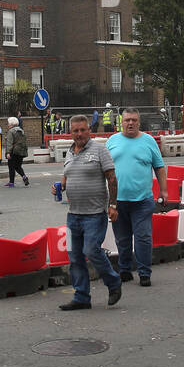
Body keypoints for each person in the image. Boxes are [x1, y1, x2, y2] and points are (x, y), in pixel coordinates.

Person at [58, 114, 122, 310]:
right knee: (75, 256)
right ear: (71, 133)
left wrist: (113, 205)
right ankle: (82, 297)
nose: (79, 134)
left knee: (91, 250)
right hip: (73, 214)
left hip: (94, 214)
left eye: (82, 130)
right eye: (75, 131)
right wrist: (60, 186)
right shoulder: (69, 152)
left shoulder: (99, 150)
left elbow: (111, 178)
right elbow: (67, 176)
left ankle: (114, 283)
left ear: (89, 130)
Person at [106, 108, 167, 287]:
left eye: (133, 120)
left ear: (139, 122)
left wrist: (164, 191)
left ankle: (144, 273)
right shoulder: (112, 141)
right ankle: (124, 270)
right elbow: (104, 169)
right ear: (121, 122)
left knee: (143, 237)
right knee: (122, 239)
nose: (130, 123)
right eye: (127, 120)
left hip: (142, 200)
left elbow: (159, 167)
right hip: (117, 201)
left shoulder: (148, 141)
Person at [4, 116, 30, 188]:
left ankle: (11, 182)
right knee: (18, 166)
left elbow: (9, 143)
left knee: (11, 167)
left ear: (12, 124)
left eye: (8, 123)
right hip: (21, 151)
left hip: (13, 151)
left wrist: (8, 153)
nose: (8, 125)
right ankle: (24, 176)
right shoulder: (21, 131)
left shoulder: (11, 131)